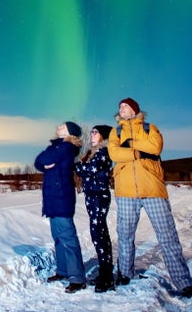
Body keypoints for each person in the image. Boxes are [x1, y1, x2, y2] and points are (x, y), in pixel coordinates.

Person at [108, 98, 192, 298]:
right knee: (125, 235)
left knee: (167, 236)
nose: (121, 109)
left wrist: (130, 144)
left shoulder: (150, 128)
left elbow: (156, 147)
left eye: (125, 106)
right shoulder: (115, 132)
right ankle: (125, 274)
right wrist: (140, 151)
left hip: (152, 188)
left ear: (134, 109)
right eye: (120, 107)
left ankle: (184, 283)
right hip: (125, 191)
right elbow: (114, 153)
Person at [34, 121, 87, 293]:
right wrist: (44, 164)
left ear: (70, 132)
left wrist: (45, 162)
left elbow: (44, 159)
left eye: (63, 126)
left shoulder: (67, 147)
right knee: (58, 237)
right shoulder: (57, 147)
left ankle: (77, 278)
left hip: (62, 197)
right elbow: (38, 161)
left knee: (68, 238)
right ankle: (63, 271)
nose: (59, 127)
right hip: (52, 198)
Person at [74, 124, 115, 292]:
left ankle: (107, 276)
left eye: (96, 132)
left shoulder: (103, 152)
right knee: (99, 232)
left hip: (99, 195)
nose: (92, 134)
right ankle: (105, 271)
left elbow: (89, 170)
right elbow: (85, 170)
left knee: (98, 232)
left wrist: (76, 166)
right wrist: (81, 167)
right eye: (92, 131)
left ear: (103, 136)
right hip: (91, 195)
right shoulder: (91, 153)